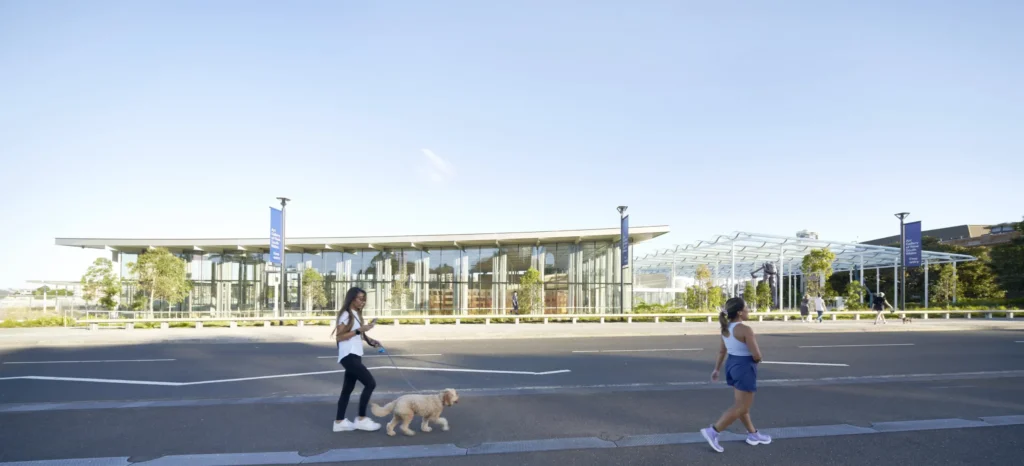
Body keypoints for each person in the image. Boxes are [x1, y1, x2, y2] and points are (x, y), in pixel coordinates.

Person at [701, 297, 771, 453]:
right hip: (744, 367)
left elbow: (722, 351)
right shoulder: (745, 329)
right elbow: (757, 355)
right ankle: (713, 431)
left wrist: (716, 369)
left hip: (731, 365)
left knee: (741, 405)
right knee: (742, 406)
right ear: (739, 312)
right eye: (746, 308)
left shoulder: (726, 328)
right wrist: (758, 359)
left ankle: (753, 434)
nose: (748, 311)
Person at [332, 287, 382, 432]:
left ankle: (339, 422)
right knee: (370, 383)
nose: (362, 302)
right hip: (348, 355)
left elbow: (356, 334)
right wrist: (359, 330)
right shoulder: (346, 315)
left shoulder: (356, 314)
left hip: (354, 355)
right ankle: (361, 419)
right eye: (360, 298)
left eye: (364, 299)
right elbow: (340, 337)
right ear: (351, 298)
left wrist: (370, 340)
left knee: (347, 389)